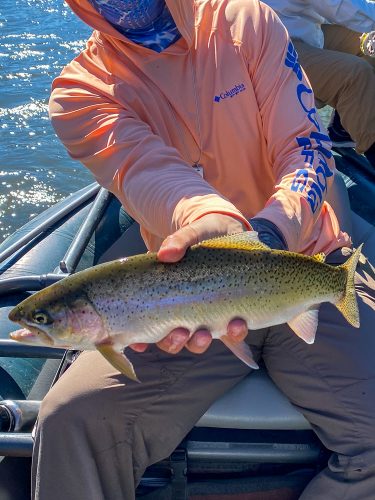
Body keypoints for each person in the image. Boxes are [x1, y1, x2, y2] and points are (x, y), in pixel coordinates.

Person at [32, 1, 375, 499]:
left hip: (313, 264)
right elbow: (150, 174)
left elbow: (305, 146)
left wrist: (272, 233)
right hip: (180, 298)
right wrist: (208, 221)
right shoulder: (80, 91)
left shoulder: (247, 20)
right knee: (69, 423)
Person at [264, 0, 375, 167]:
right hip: (269, 49)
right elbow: (340, 6)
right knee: (355, 76)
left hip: (290, 27)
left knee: (369, 40)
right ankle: (371, 144)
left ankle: (344, 130)